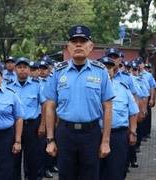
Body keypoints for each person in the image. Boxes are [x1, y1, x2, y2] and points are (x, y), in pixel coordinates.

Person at [43, 25, 115, 180]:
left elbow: (108, 107)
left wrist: (105, 141)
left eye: (83, 41)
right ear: (68, 47)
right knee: (66, 176)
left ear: (91, 46)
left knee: (90, 176)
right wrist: (50, 139)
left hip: (91, 133)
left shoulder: (100, 71)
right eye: (74, 41)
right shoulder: (58, 71)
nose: (78, 45)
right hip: (65, 132)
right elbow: (50, 107)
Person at [97, 56, 139, 180]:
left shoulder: (122, 87)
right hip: (95, 134)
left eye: (110, 67)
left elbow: (132, 111)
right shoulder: (90, 88)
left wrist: (132, 131)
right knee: (95, 171)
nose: (107, 70)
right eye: (104, 68)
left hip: (118, 135)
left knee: (116, 171)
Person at [8, 57, 46, 180]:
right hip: (13, 126)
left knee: (32, 157)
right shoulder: (8, 86)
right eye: (19, 67)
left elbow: (44, 105)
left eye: (25, 67)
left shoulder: (36, 85)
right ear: (15, 69)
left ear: (29, 70)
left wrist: (42, 125)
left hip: (31, 125)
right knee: (14, 156)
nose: (22, 70)